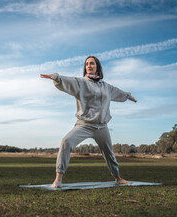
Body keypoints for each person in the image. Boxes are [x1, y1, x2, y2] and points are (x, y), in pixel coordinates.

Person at [40, 56, 137, 188]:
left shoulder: (106, 86)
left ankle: (118, 177)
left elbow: (118, 92)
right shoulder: (81, 83)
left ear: (97, 66)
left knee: (109, 153)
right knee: (66, 141)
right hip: (84, 124)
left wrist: (128, 96)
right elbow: (68, 81)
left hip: (102, 126)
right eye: (86, 64)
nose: (89, 66)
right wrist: (57, 77)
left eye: (92, 63)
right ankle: (58, 179)